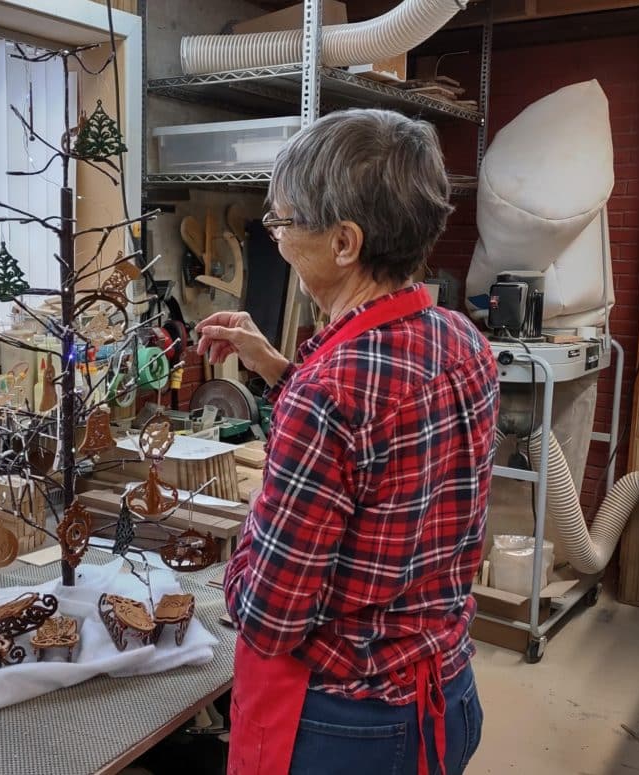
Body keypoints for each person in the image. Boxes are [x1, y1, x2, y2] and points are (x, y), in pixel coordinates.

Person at [196, 108, 499, 775]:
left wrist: (228, 571)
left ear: (343, 243)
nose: (274, 237)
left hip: (351, 728)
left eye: (281, 222)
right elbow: (381, 443)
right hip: (445, 689)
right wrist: (276, 366)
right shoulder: (463, 340)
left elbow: (273, 616)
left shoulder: (329, 391)